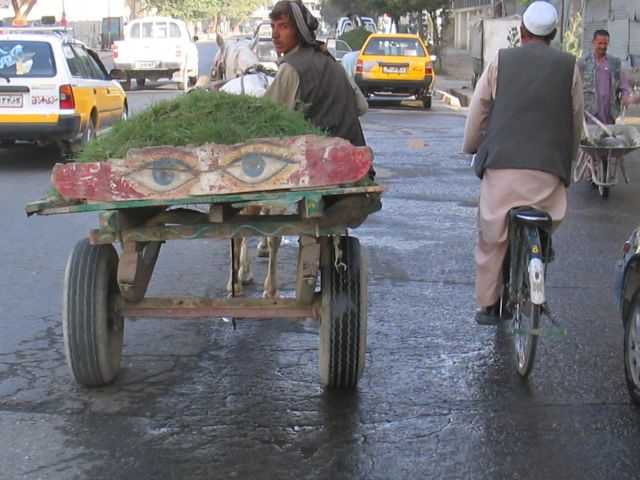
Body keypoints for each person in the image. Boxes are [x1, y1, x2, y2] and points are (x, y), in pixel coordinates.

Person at [462, 1, 584, 325]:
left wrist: (471, 145)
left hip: (502, 170)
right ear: (554, 34)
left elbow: (479, 110)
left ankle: (490, 304)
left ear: (521, 32)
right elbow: (576, 121)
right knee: (545, 217)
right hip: (548, 173)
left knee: (491, 236)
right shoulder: (570, 66)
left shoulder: (501, 62)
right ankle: (540, 249)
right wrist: (567, 160)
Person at [264, 1, 368, 149]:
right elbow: (362, 106)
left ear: (299, 31)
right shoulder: (330, 61)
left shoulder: (291, 68)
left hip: (318, 163)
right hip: (356, 161)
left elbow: (266, 117)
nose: (275, 35)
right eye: (272, 26)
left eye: (283, 26)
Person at [579, 29, 632, 125]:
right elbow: (575, 85)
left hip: (608, 113)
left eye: (605, 43)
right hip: (589, 113)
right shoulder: (583, 62)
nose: (603, 46)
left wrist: (625, 97)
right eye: (600, 43)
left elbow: (624, 86)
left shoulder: (614, 63)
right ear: (594, 42)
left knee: (608, 138)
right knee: (590, 137)